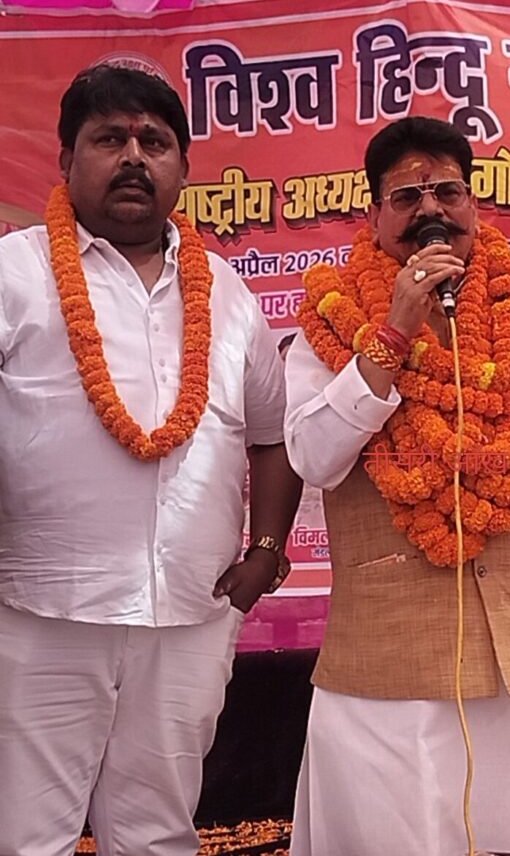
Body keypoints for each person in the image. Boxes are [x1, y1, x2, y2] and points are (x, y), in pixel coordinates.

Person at [284, 115, 510, 856]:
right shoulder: (331, 319)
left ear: (473, 204)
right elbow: (313, 456)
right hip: (389, 663)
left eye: (447, 192)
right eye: (406, 197)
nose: (430, 210)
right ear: (374, 215)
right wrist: (393, 332)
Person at [0, 64, 302, 856]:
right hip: (42, 610)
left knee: (158, 832)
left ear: (183, 168)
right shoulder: (13, 273)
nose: (134, 157)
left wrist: (266, 551)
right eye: (110, 139)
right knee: (27, 834)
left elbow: (271, 435)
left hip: (192, 613)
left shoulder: (228, 293)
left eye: (154, 142)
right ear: (66, 160)